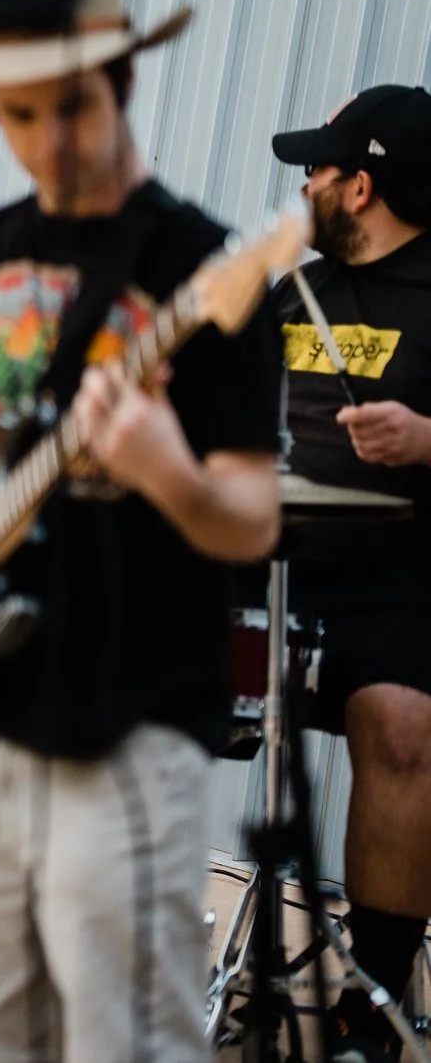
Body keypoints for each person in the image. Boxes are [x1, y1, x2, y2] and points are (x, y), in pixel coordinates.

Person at [0, 0, 281, 1063]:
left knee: (126, 1039)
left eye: (68, 107)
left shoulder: (202, 268)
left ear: (123, 82)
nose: (45, 142)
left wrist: (165, 466)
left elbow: (250, 518)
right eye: (15, 115)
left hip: (126, 723)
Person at [268, 85, 431, 1062]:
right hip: (265, 569)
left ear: (359, 186)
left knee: (403, 727)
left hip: (396, 578)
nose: (304, 187)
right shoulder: (290, 292)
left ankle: (371, 999)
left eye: (316, 172)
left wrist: (426, 440)